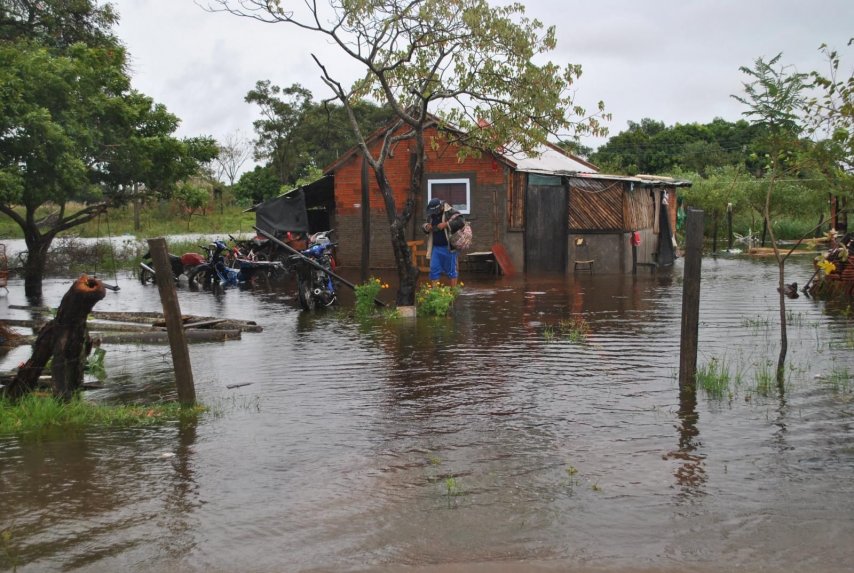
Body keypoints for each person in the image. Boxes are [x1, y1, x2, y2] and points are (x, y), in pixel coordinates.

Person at [422, 198, 465, 286]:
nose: (434, 213)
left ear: (441, 207)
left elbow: (461, 222)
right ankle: (435, 293)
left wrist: (446, 224)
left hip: (449, 247)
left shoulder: (451, 211)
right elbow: (424, 226)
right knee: (434, 269)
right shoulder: (431, 214)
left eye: (436, 211)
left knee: (451, 270)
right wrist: (426, 226)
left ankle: (453, 292)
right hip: (436, 247)